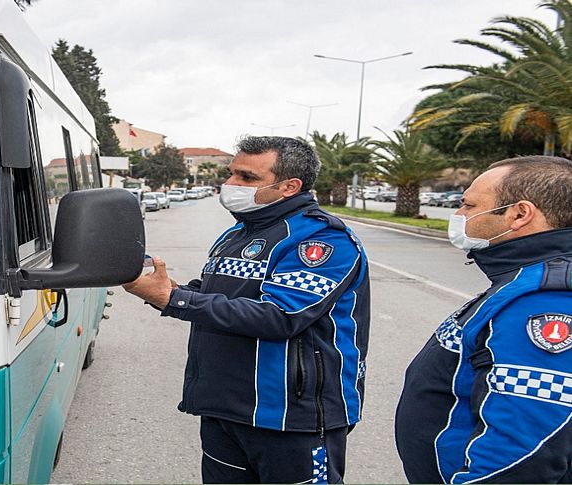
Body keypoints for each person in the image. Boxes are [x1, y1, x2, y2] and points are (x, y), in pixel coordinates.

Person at [124, 136, 370, 484]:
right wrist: (163, 289)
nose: (230, 184)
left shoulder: (322, 240)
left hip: (289, 418)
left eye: (247, 178)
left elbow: (280, 316)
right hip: (225, 409)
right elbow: (215, 296)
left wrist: (174, 300)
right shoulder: (236, 234)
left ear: (290, 186)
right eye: (232, 174)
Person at [395, 156, 572, 483]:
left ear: (519, 214)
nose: (459, 215)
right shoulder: (521, 281)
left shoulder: (543, 302)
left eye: (468, 205)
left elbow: (521, 454)